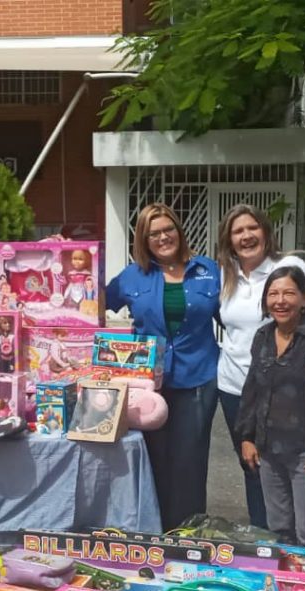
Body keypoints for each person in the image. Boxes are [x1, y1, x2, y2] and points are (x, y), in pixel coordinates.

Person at [106, 203, 220, 531]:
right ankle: (153, 532)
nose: (163, 237)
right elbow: (91, 302)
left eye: (168, 229)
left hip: (197, 378)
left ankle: (187, 533)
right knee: (150, 458)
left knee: (190, 462)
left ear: (179, 231)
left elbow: (234, 316)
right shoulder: (131, 276)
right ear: (143, 240)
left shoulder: (208, 270)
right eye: (153, 233)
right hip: (146, 384)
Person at [216, 204, 305, 529]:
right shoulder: (226, 274)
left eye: (253, 228)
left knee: (295, 471)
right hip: (235, 388)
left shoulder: (289, 267)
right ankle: (262, 536)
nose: (246, 236)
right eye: (238, 231)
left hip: (286, 391)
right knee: (252, 466)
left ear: (265, 231)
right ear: (229, 239)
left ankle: (298, 542)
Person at [235, 265, 305, 546]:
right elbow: (252, 388)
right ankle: (285, 574)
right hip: (268, 449)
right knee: (278, 528)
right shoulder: (263, 336)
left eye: (289, 293)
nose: (280, 301)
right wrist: (246, 437)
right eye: (273, 294)